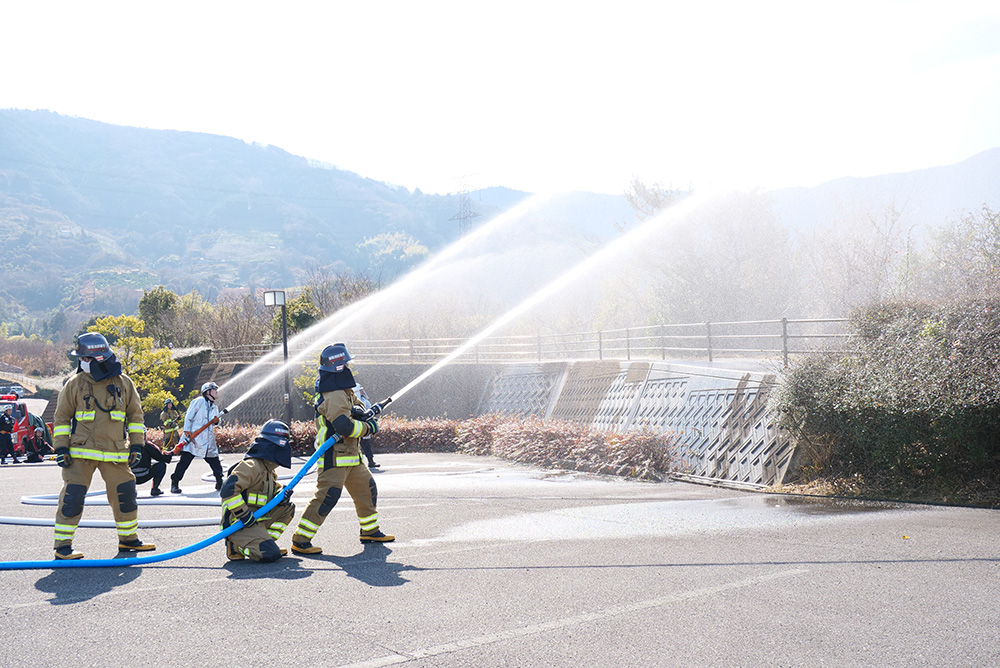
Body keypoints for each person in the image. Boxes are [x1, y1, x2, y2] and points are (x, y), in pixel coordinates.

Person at [50, 332, 153, 560]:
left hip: (115, 452)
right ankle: (63, 546)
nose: (82, 362)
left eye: (86, 359)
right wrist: (61, 449)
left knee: (125, 494)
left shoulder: (124, 384)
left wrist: (137, 446)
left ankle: (128, 541)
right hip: (80, 454)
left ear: (99, 358)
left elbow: (135, 417)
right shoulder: (74, 384)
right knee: (72, 497)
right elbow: (61, 419)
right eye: (81, 359)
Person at [290, 343, 393, 555]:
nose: (348, 366)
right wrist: (368, 427)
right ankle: (300, 540)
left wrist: (361, 411)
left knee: (367, 490)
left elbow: (357, 408)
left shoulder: (343, 390)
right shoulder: (334, 394)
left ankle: (370, 531)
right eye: (345, 363)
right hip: (334, 458)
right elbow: (344, 426)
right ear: (337, 366)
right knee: (327, 497)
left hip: (352, 457)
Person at [220, 419, 295, 562]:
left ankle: (265, 542)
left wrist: (281, 496)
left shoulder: (268, 470)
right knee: (271, 555)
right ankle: (237, 545)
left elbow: (269, 493)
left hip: (255, 520)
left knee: (287, 508)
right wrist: (244, 515)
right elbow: (228, 490)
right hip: (239, 524)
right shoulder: (252, 466)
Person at [170, 381, 224, 494]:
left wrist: (217, 421)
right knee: (184, 462)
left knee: (214, 461)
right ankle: (175, 483)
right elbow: (189, 416)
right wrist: (187, 430)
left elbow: (216, 423)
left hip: (207, 440)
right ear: (207, 391)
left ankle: (219, 482)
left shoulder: (214, 406)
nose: (217, 392)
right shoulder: (199, 401)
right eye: (214, 390)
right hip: (193, 438)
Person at [354, 384, 380, 469]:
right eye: (360, 390)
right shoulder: (353, 403)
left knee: (367, 446)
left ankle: (371, 461)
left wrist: (373, 422)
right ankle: (357, 464)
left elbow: (371, 411)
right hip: (357, 429)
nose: (362, 391)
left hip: (366, 428)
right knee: (355, 447)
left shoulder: (364, 401)